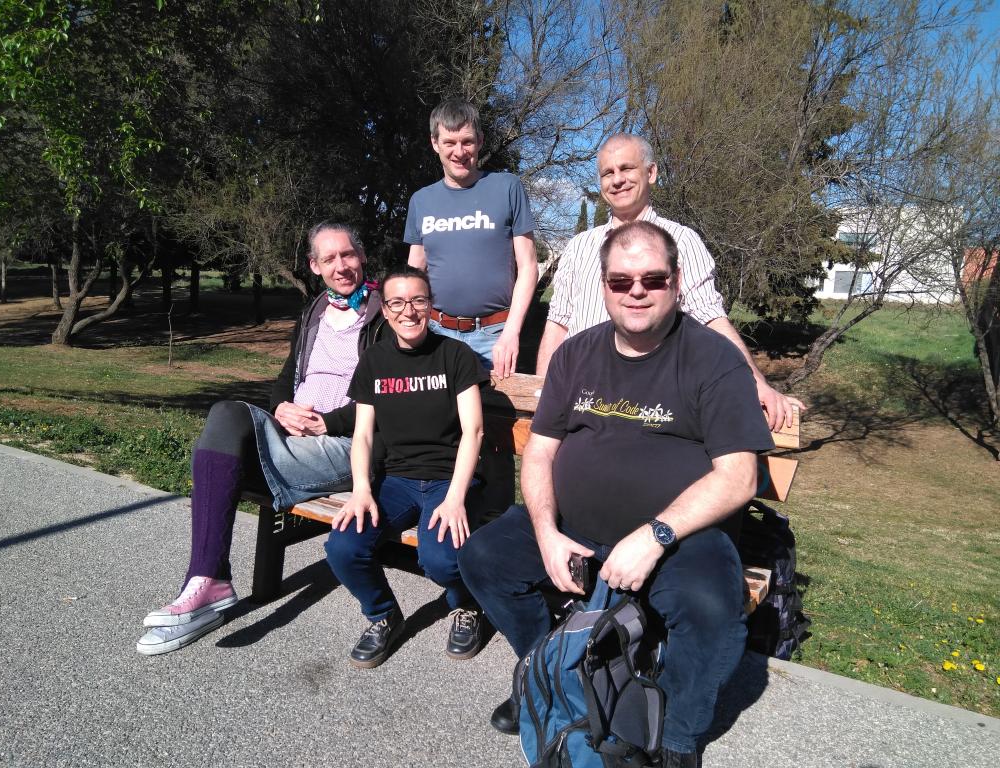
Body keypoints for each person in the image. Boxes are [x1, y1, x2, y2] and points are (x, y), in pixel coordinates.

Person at [459, 221, 775, 768]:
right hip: (574, 526)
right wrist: (546, 533)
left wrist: (654, 537)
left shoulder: (713, 359)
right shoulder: (576, 354)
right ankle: (555, 670)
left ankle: (674, 734)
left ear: (677, 282)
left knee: (711, 610)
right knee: (483, 559)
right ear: (603, 286)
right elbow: (540, 452)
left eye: (653, 279)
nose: (636, 291)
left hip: (680, 537)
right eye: (621, 280)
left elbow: (739, 477)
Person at [137, 223, 385, 656]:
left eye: (348, 255)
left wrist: (329, 422)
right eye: (329, 258)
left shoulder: (384, 314)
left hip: (347, 445)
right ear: (314, 266)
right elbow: (287, 377)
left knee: (219, 465)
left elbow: (389, 392)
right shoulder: (314, 312)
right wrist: (282, 407)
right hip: (292, 436)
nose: (341, 266)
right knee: (226, 414)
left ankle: (207, 583)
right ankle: (207, 578)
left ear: (361, 257)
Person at [536, 133, 804, 431]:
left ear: (651, 173)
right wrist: (542, 394)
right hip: (579, 399)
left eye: (627, 168)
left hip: (646, 405)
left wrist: (755, 381)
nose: (617, 180)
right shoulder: (579, 246)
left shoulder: (682, 241)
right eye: (608, 173)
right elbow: (558, 324)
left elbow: (711, 319)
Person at [324, 265, 489, 669]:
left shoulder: (455, 356)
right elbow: (363, 435)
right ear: (384, 309)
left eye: (418, 300)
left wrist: (455, 498)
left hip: (448, 480)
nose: (408, 311)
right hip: (395, 481)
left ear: (431, 305)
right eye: (397, 302)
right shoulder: (375, 361)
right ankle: (383, 615)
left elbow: (474, 431)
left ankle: (467, 605)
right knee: (343, 547)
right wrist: (361, 489)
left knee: (441, 560)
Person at [405, 98, 537, 377]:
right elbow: (414, 271)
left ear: (480, 141)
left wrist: (511, 332)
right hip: (436, 333)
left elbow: (528, 266)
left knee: (492, 407)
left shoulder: (507, 187)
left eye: (467, 141)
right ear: (435, 143)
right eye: (449, 142)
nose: (459, 152)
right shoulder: (421, 200)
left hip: (494, 337)